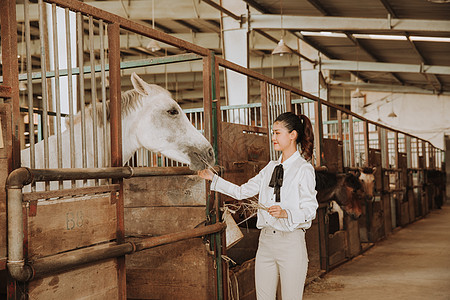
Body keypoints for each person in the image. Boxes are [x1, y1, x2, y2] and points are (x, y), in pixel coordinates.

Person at [198, 112, 318, 300]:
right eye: (273, 133)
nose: (273, 138)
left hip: (291, 243)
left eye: (277, 133)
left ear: (292, 135)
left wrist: (286, 213)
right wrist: (214, 179)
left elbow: (310, 209)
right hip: (266, 242)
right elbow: (241, 191)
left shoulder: (304, 169)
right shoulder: (270, 168)